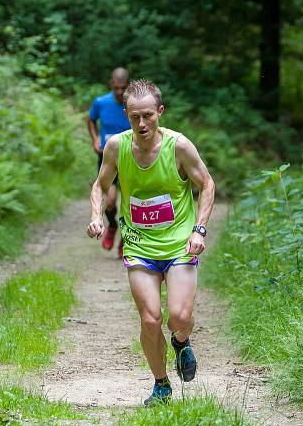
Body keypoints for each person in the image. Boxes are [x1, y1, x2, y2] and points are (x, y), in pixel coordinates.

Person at [86, 79, 216, 406]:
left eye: (148, 116)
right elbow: (100, 186)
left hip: (179, 245)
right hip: (140, 245)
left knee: (179, 318)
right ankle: (161, 385)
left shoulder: (179, 146)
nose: (141, 124)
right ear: (126, 115)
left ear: (160, 112)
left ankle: (181, 342)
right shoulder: (117, 146)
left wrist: (198, 230)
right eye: (134, 117)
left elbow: (207, 184)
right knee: (150, 319)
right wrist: (97, 216)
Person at [87, 68, 131, 257]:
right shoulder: (101, 102)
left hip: (132, 158)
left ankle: (126, 238)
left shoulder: (133, 104)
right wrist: (95, 139)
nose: (120, 92)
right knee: (111, 201)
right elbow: (90, 119)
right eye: (117, 87)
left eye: (124, 88)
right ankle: (112, 225)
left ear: (128, 86)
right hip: (107, 157)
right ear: (111, 84)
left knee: (131, 204)